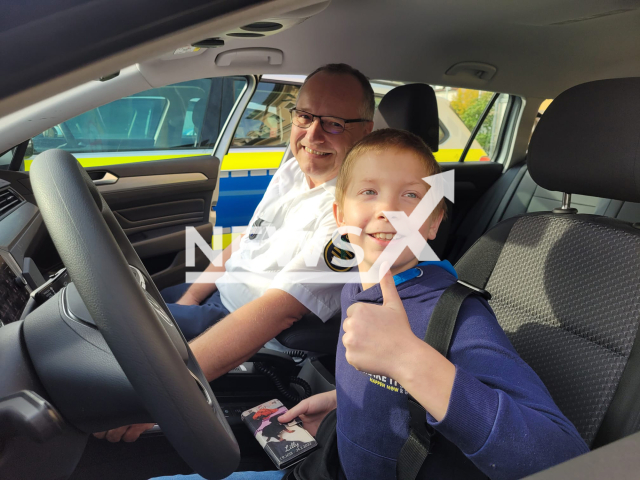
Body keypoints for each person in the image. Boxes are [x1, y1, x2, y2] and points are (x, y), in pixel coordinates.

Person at [153, 128, 589, 479]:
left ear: (434, 221)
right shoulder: (359, 283)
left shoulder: (458, 316)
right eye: (368, 193)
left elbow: (564, 457)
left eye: (411, 196)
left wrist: (410, 360)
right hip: (333, 456)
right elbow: (391, 388)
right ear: (338, 216)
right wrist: (342, 401)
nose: (387, 210)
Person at [93, 64, 374, 443]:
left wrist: (166, 393)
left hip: (246, 334)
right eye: (305, 116)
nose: (312, 134)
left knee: (103, 355)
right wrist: (192, 297)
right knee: (95, 312)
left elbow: (280, 310)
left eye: (334, 123)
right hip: (212, 303)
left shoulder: (356, 216)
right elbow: (247, 238)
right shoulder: (293, 168)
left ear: (365, 131)